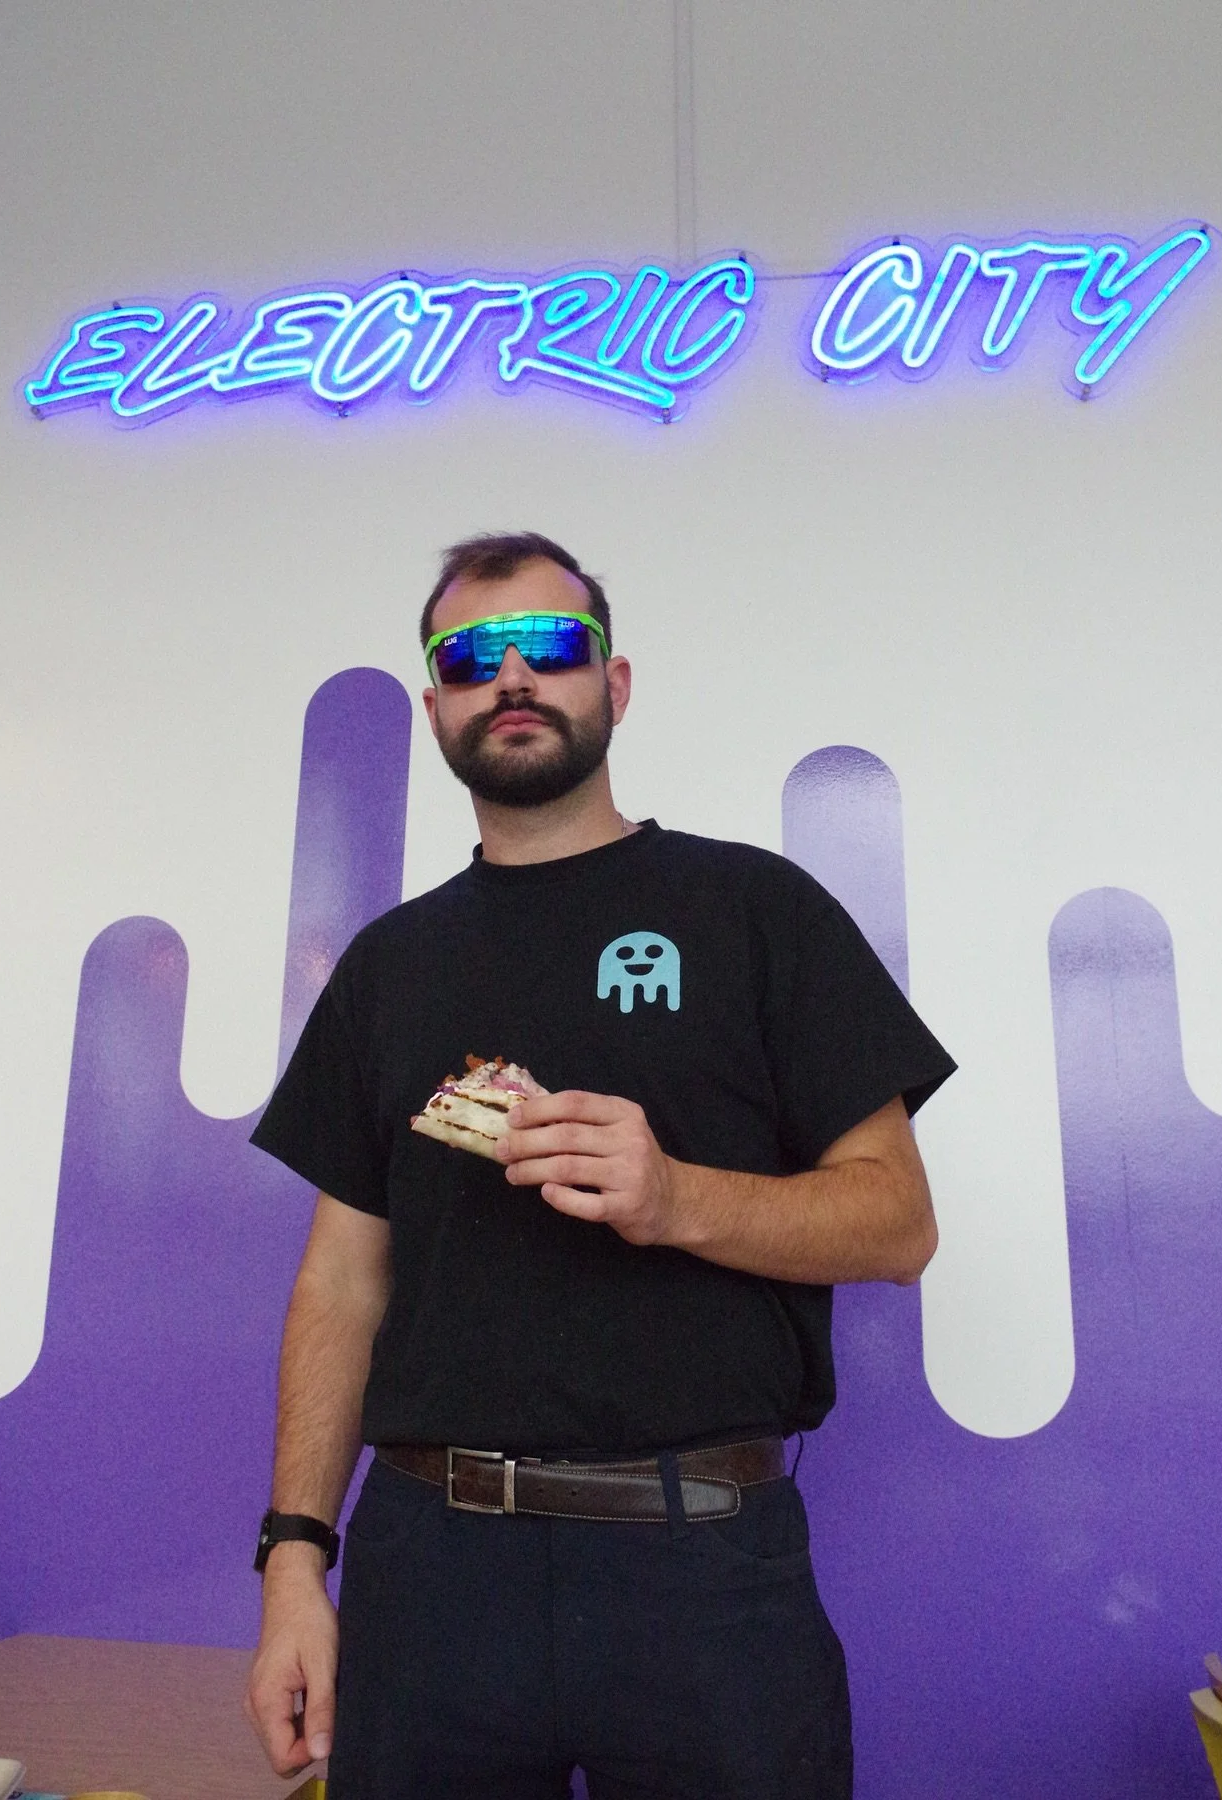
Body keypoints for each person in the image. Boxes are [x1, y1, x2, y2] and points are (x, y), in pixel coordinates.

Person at [244, 531, 956, 1799]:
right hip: (430, 1577)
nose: (513, 677)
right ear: (435, 708)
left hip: (703, 1576)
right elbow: (341, 1286)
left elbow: (898, 1224)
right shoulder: (388, 968)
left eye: (553, 647)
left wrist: (674, 1195)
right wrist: (297, 1559)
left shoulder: (757, 912)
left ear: (614, 685)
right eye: (472, 656)